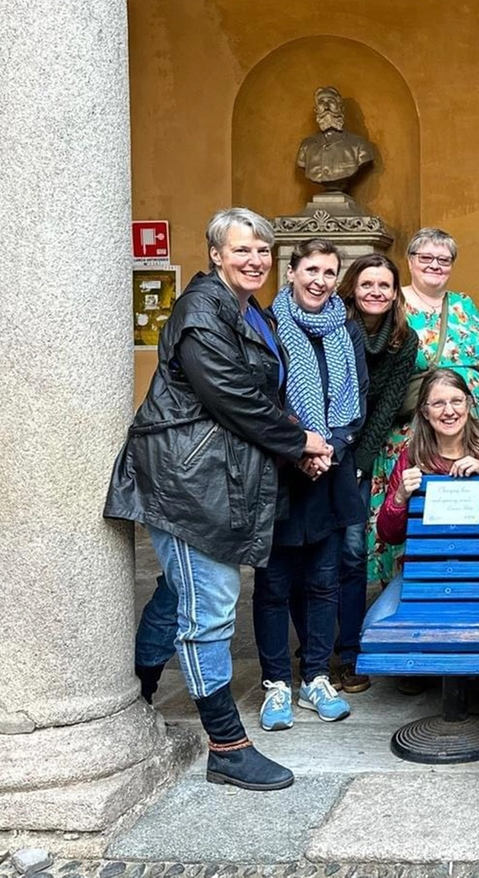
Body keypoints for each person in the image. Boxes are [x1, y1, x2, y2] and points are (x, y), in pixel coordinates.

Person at [108, 207, 332, 791]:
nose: (255, 260)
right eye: (242, 250)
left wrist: (291, 445)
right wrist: (298, 438)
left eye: (263, 251)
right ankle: (227, 745)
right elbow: (230, 394)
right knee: (211, 603)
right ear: (215, 254)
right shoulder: (201, 310)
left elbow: (256, 392)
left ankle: (138, 692)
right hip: (186, 478)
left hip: (211, 474)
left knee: (179, 592)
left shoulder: (245, 309)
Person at [254, 239, 367, 732]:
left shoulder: (346, 327)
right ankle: (276, 683)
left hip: (329, 473)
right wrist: (299, 449)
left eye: (329, 271)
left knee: (324, 581)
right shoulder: (270, 326)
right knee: (274, 584)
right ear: (292, 272)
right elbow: (262, 397)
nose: (320, 280)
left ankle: (316, 676)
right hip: (281, 474)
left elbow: (356, 395)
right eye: (311, 270)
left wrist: (330, 450)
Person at [365, 228, 479, 586]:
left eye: (444, 259)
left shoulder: (464, 303)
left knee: (462, 511)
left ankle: (463, 579)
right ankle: (406, 589)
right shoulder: (394, 302)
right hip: (411, 431)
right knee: (410, 504)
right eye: (426, 258)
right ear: (410, 261)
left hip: (465, 427)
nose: (435, 265)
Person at [332, 253, 419, 694]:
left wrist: (359, 462)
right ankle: (314, 647)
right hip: (314, 447)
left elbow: (385, 406)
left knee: (351, 552)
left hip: (360, 451)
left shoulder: (404, 339)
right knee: (310, 556)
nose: (376, 293)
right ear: (352, 286)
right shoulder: (331, 325)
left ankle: (348, 652)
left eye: (385, 286)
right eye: (368, 284)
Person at [375, 369, 479, 546]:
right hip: (428, 561)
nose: (449, 411)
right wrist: (400, 497)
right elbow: (389, 536)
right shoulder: (412, 457)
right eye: (438, 404)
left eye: (457, 401)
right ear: (425, 412)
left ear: (468, 404)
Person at [297, 86, 375, 188]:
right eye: (321, 102)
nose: (326, 106)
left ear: (340, 108)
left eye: (331, 101)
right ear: (316, 110)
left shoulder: (359, 145)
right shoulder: (306, 146)